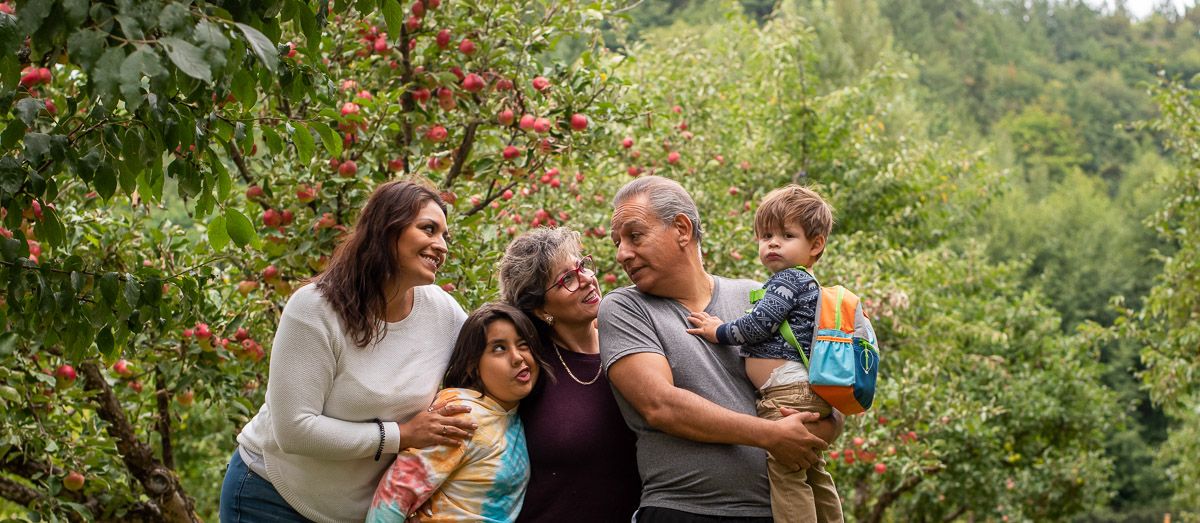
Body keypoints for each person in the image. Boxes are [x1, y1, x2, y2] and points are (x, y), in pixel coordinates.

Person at [220, 181, 478, 523]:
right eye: (428, 229)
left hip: (362, 513)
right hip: (271, 496)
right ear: (387, 230)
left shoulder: (443, 313)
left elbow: (494, 354)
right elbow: (294, 430)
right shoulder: (314, 308)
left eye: (445, 236)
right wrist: (402, 435)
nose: (441, 246)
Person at [598, 175, 845, 523]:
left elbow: (822, 390)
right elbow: (661, 405)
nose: (623, 252)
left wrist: (821, 425)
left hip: (776, 511)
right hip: (684, 511)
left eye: (634, 235)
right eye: (617, 242)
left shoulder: (758, 296)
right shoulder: (625, 308)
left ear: (682, 229)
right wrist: (773, 435)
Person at [686, 184, 864, 522]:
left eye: (787, 235)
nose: (773, 243)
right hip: (804, 391)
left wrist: (717, 330)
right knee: (812, 470)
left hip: (787, 393)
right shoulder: (808, 284)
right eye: (765, 235)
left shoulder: (788, 282)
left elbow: (756, 326)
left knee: (786, 473)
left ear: (816, 245)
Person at [498, 227, 641, 522]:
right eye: (567, 279)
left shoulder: (635, 348)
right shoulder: (527, 369)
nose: (587, 279)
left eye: (582, 266)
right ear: (539, 308)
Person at [366, 302, 545, 522]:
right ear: (472, 366)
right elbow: (393, 498)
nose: (517, 357)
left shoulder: (510, 411)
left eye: (523, 344)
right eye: (499, 348)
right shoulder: (460, 414)